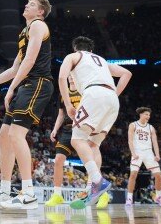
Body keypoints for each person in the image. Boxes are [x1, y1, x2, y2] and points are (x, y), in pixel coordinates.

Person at [0, 0, 54, 210]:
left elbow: (29, 61)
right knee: (4, 136)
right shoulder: (24, 32)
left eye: (33, 4)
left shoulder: (38, 26)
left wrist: (10, 89)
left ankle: (29, 193)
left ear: (40, 12)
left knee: (16, 134)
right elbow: (15, 68)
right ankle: (4, 191)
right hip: (26, 84)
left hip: (38, 82)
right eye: (28, 2)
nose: (27, 5)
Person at [58, 36, 132, 209]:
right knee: (93, 144)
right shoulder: (101, 60)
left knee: (77, 139)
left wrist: (68, 104)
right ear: (91, 50)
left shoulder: (73, 56)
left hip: (93, 94)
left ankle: (98, 181)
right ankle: (92, 187)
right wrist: (114, 93)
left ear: (76, 48)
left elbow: (62, 78)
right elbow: (127, 73)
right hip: (112, 100)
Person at [45, 77, 111, 209]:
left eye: (73, 74)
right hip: (68, 129)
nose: (71, 77)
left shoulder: (85, 90)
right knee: (58, 160)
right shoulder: (63, 94)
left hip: (84, 127)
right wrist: (55, 129)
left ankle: (100, 192)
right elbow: (61, 114)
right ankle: (57, 194)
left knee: (89, 159)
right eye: (69, 75)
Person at [126, 107, 161, 207]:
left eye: (149, 115)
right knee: (133, 175)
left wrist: (157, 155)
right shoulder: (133, 125)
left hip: (149, 153)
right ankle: (129, 198)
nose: (148, 116)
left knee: (158, 175)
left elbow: (155, 142)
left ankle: (158, 196)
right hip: (137, 152)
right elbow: (130, 140)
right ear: (141, 114)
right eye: (146, 114)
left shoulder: (151, 127)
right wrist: (133, 153)